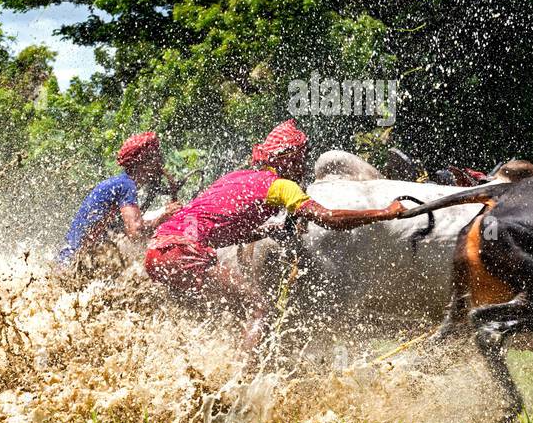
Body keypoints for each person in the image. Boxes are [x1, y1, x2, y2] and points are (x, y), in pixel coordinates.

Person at [144, 119, 405, 340]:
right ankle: (239, 386)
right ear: (288, 161)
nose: (303, 168)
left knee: (217, 310)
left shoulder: (235, 178)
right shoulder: (280, 186)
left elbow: (219, 226)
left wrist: (268, 231)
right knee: (259, 307)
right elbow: (328, 218)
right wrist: (385, 213)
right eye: (300, 160)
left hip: (156, 251)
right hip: (183, 252)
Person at [57, 132, 180, 266]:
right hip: (74, 261)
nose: (160, 163)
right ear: (144, 162)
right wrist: (164, 217)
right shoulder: (126, 186)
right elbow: (136, 233)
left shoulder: (119, 183)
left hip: (71, 258)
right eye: (157, 157)